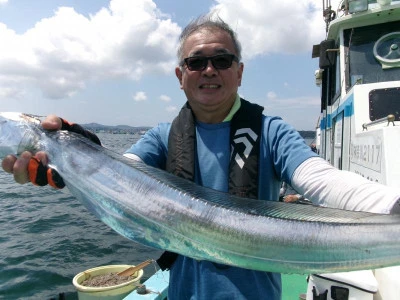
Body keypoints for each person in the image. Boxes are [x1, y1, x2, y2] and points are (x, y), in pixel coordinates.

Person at [2, 13, 400, 300]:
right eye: (196, 62)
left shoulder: (270, 131)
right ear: (181, 75)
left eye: (221, 60)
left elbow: (322, 179)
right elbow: (127, 175)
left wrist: (392, 206)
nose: (208, 70)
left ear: (239, 72)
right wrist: (72, 162)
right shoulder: (163, 136)